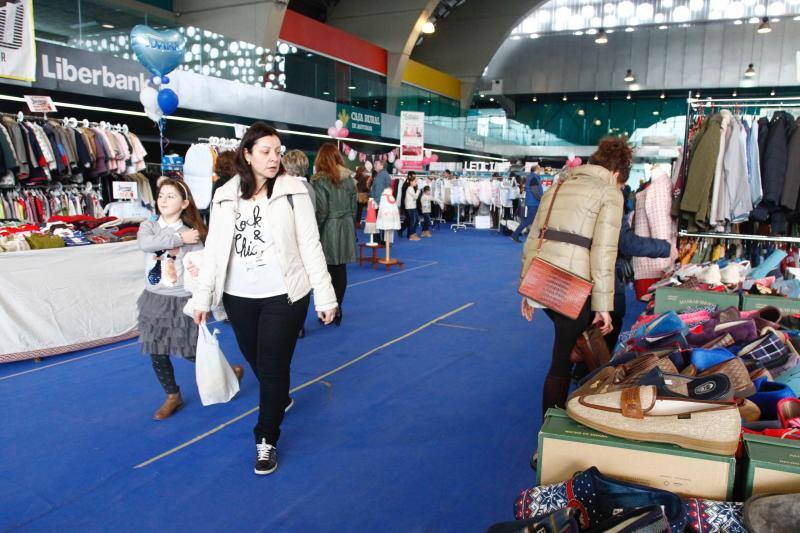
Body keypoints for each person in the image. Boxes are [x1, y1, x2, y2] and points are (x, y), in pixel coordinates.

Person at [192, 122, 337, 476]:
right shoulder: (225, 195)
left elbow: (310, 246)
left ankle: (265, 438)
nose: (274, 159)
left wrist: (325, 295)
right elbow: (213, 252)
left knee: (272, 367)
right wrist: (202, 297)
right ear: (247, 154)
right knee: (255, 357)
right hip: (238, 296)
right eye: (266, 152)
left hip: (285, 295)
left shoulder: (294, 191)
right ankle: (280, 395)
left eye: (278, 151)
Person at [520, 137, 628, 416]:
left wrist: (526, 288)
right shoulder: (610, 193)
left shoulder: (559, 185)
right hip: (572, 287)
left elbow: (534, 237)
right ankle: (550, 430)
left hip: (543, 282)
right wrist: (602, 306)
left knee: (572, 349)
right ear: (617, 174)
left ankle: (577, 407)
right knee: (562, 361)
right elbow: (604, 252)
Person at [137, 177, 243, 420]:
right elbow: (146, 244)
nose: (163, 200)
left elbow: (201, 264)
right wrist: (177, 240)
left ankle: (226, 371)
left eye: (170, 196)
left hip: (182, 299)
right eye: (161, 195)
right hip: (154, 298)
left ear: (184, 203)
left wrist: (198, 273)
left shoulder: (191, 234)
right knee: (157, 351)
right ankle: (172, 395)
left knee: (190, 350)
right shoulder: (149, 226)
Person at [606, 178, 675, 351]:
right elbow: (625, 241)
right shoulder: (610, 196)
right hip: (606, 268)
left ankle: (583, 369)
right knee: (609, 319)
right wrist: (664, 248)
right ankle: (591, 370)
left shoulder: (586, 190)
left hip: (585, 267)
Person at [311, 143, 357, 327]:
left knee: (325, 271)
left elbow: (320, 212)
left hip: (328, 228)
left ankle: (328, 307)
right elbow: (354, 209)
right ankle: (338, 308)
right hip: (346, 226)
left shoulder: (319, 181)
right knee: (340, 270)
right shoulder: (349, 180)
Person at [282, 149, 314, 340]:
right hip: (305, 243)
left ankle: (295, 324)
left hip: (294, 244)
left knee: (293, 286)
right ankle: (298, 324)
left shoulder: (293, 190)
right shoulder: (309, 187)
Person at [511, 166, 544, 243]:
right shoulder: (534, 178)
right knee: (528, 220)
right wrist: (541, 198)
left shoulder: (532, 177)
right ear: (536, 170)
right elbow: (535, 191)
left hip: (532, 202)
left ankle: (534, 236)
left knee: (532, 220)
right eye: (539, 169)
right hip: (534, 202)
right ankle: (515, 234)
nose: (540, 170)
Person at [400, 172, 421, 240]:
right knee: (412, 220)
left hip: (413, 206)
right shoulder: (409, 188)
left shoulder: (411, 188)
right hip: (410, 207)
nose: (416, 183)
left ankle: (413, 233)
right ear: (411, 182)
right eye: (415, 181)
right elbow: (415, 197)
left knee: (416, 219)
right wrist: (418, 190)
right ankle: (411, 234)